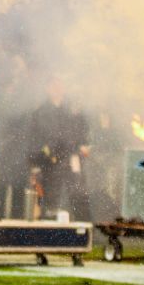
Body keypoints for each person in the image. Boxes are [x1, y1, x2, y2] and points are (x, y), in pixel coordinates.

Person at [30, 77, 91, 221]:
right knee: (52, 198)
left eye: (60, 85)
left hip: (72, 159)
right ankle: (50, 232)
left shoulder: (72, 110)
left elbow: (81, 131)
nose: (57, 88)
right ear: (47, 88)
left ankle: (84, 230)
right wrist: (36, 164)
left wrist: (82, 145)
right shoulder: (40, 112)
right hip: (51, 162)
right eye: (53, 85)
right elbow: (36, 139)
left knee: (79, 195)